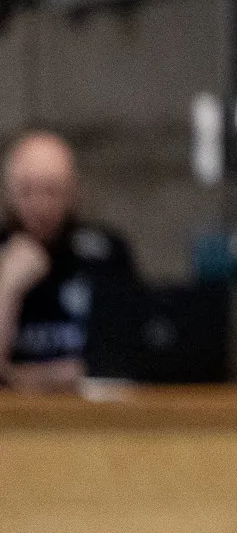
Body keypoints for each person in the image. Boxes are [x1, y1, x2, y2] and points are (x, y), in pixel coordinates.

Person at [0, 130, 137, 392]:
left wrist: (28, 379)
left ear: (73, 191)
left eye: (52, 191)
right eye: (27, 191)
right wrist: (7, 288)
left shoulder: (105, 253)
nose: (40, 205)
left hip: (89, 417)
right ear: (9, 193)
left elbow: (124, 359)